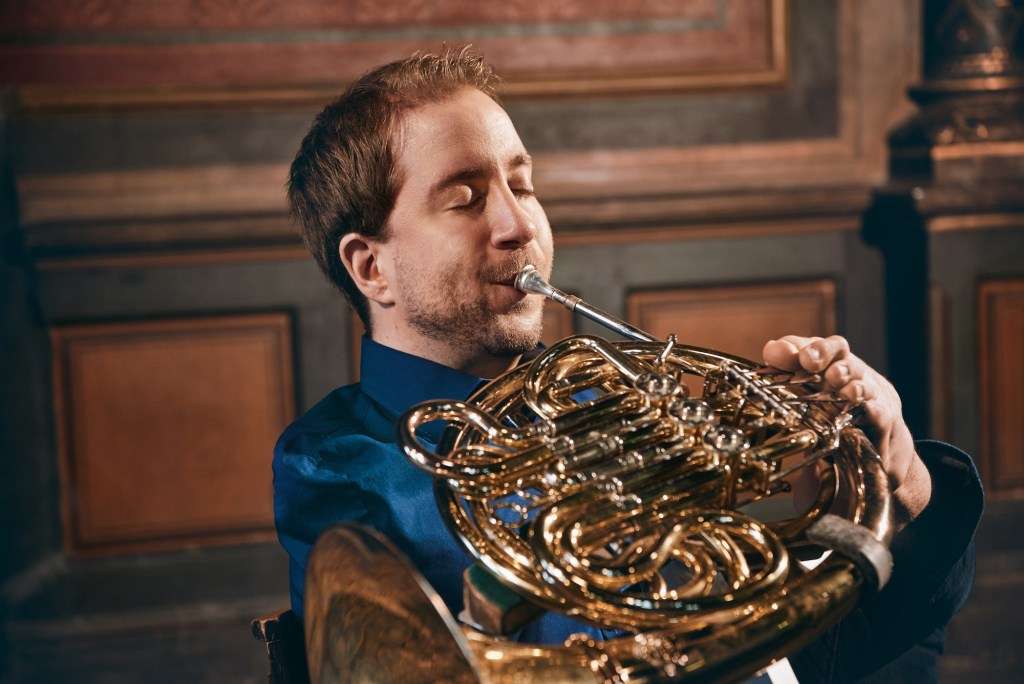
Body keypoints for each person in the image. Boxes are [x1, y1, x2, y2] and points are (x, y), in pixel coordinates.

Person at [274, 48, 982, 681]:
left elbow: (824, 654)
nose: (519, 226)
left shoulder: (613, 396)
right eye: (465, 199)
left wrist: (891, 493)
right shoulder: (339, 467)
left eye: (523, 185)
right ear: (372, 268)